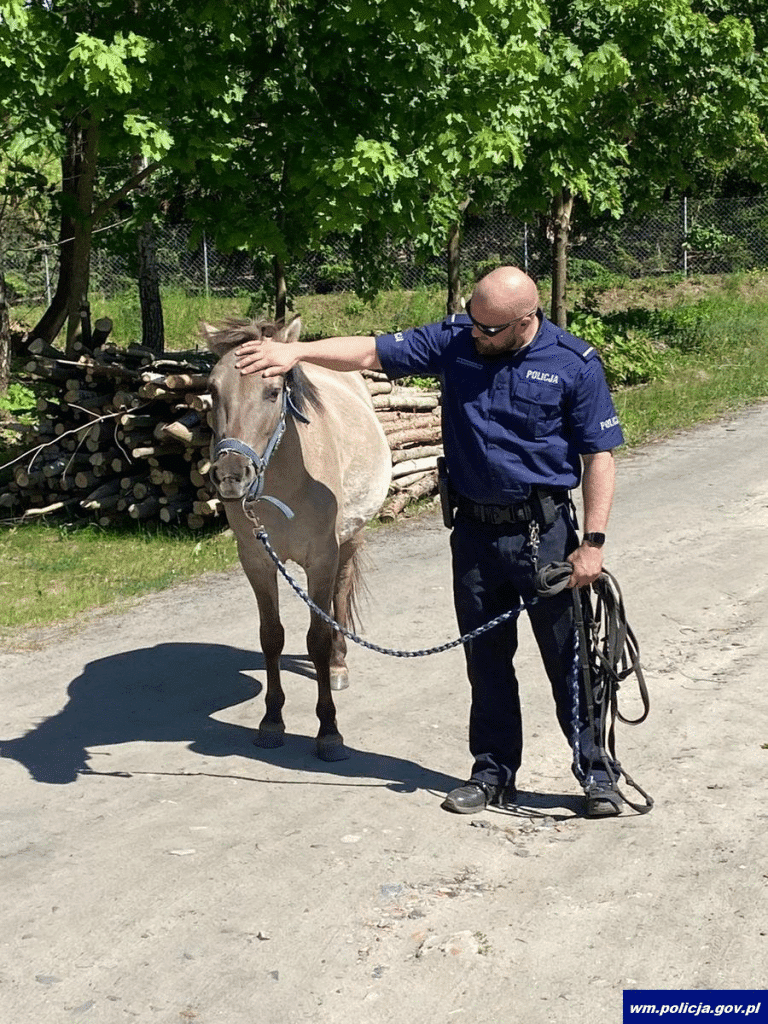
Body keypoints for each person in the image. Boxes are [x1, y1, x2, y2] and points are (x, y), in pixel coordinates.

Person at [234, 266, 626, 817]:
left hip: (546, 535)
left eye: (490, 329)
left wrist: (593, 542)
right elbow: (369, 352)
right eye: (473, 322)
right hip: (473, 533)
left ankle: (597, 773)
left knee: (570, 658)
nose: (477, 335)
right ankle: (492, 774)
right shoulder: (457, 340)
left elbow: (598, 456)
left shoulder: (573, 363)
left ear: (525, 321)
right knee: (486, 663)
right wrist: (294, 354)